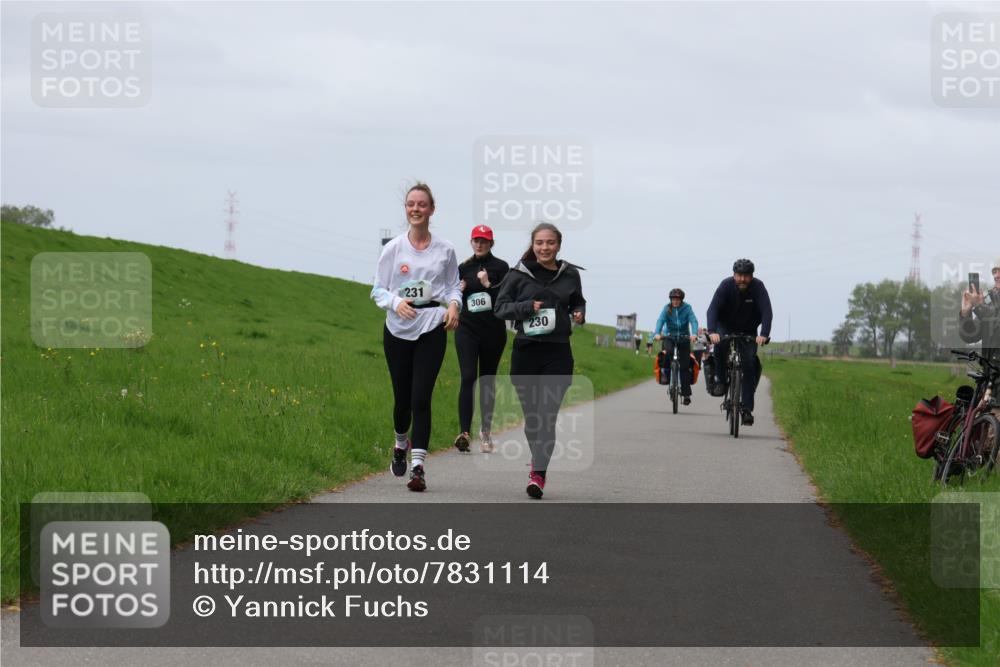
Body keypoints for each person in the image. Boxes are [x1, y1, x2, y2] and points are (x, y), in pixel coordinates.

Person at [371, 183, 461, 492]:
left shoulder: (445, 250)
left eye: (422, 204)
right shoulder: (393, 248)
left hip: (431, 326)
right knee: (403, 400)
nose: (416, 209)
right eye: (411, 204)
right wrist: (396, 303)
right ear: (406, 209)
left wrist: (453, 306)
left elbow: (452, 286)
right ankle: (400, 443)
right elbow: (378, 289)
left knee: (421, 397)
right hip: (398, 328)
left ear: (431, 210)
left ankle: (418, 467)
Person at [494, 222, 585, 499]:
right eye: (540, 243)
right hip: (526, 352)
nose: (545, 248)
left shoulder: (569, 274)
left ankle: (538, 473)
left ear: (559, 245)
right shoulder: (518, 274)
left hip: (557, 353)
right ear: (533, 245)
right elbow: (500, 308)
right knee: (533, 420)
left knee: (546, 417)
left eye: (550, 243)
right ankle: (537, 462)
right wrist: (525, 308)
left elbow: (578, 301)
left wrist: (580, 313)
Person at [454, 225, 510, 454]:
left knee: (487, 380)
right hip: (467, 329)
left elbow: (507, 299)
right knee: (468, 377)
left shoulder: (501, 267)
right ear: (471, 242)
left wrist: (488, 285)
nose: (480, 244)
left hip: (493, 331)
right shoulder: (463, 268)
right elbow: (452, 296)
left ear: (491, 243)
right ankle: (464, 433)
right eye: (476, 240)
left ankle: (485, 432)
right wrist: (459, 289)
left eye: (484, 241)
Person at [707, 259, 773, 426]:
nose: (742, 279)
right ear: (734, 275)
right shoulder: (725, 286)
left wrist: (764, 334)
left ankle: (746, 409)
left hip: (748, 329)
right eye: (739, 275)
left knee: (749, 364)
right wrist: (712, 332)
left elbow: (767, 311)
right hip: (725, 326)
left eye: (746, 276)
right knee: (720, 347)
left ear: (751, 276)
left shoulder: (758, 287)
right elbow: (712, 309)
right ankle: (721, 381)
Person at [653, 289, 699, 405]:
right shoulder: (667, 308)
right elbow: (660, 320)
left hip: (684, 338)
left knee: (684, 366)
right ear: (671, 299)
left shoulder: (687, 308)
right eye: (673, 299)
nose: (675, 301)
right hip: (670, 337)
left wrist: (694, 334)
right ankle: (666, 375)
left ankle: (686, 394)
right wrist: (657, 333)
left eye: (677, 299)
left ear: (681, 300)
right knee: (667, 353)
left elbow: (693, 321)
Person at [959, 259, 1000, 386]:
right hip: (990, 380)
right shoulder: (990, 304)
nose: (996, 275)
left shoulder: (985, 309)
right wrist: (966, 313)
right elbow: (970, 336)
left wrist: (979, 307)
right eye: (995, 271)